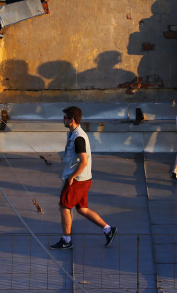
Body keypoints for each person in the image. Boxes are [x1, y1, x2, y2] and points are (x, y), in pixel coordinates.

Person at [51, 106, 117, 250]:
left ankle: (66, 240)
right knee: (82, 209)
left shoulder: (78, 137)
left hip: (77, 180)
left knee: (64, 207)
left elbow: (84, 161)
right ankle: (108, 229)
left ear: (71, 120)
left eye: (65, 118)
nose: (63, 119)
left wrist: (72, 177)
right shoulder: (74, 134)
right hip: (84, 179)